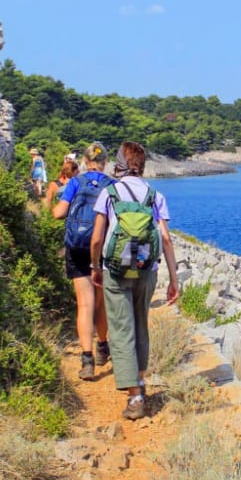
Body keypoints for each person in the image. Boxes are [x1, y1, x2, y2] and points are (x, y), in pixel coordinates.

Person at [91, 141, 179, 420]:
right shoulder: (155, 195)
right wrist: (174, 280)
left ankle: (135, 397)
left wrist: (95, 267)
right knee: (141, 325)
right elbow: (165, 238)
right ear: (142, 166)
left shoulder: (109, 193)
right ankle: (140, 381)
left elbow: (96, 239)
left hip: (116, 270)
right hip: (146, 270)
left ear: (119, 162)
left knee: (120, 329)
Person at [52, 143, 113, 379]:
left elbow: (59, 213)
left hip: (77, 247)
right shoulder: (112, 185)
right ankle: (102, 345)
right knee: (101, 303)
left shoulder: (76, 182)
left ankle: (87, 361)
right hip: (103, 251)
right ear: (104, 163)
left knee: (84, 305)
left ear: (86, 162)